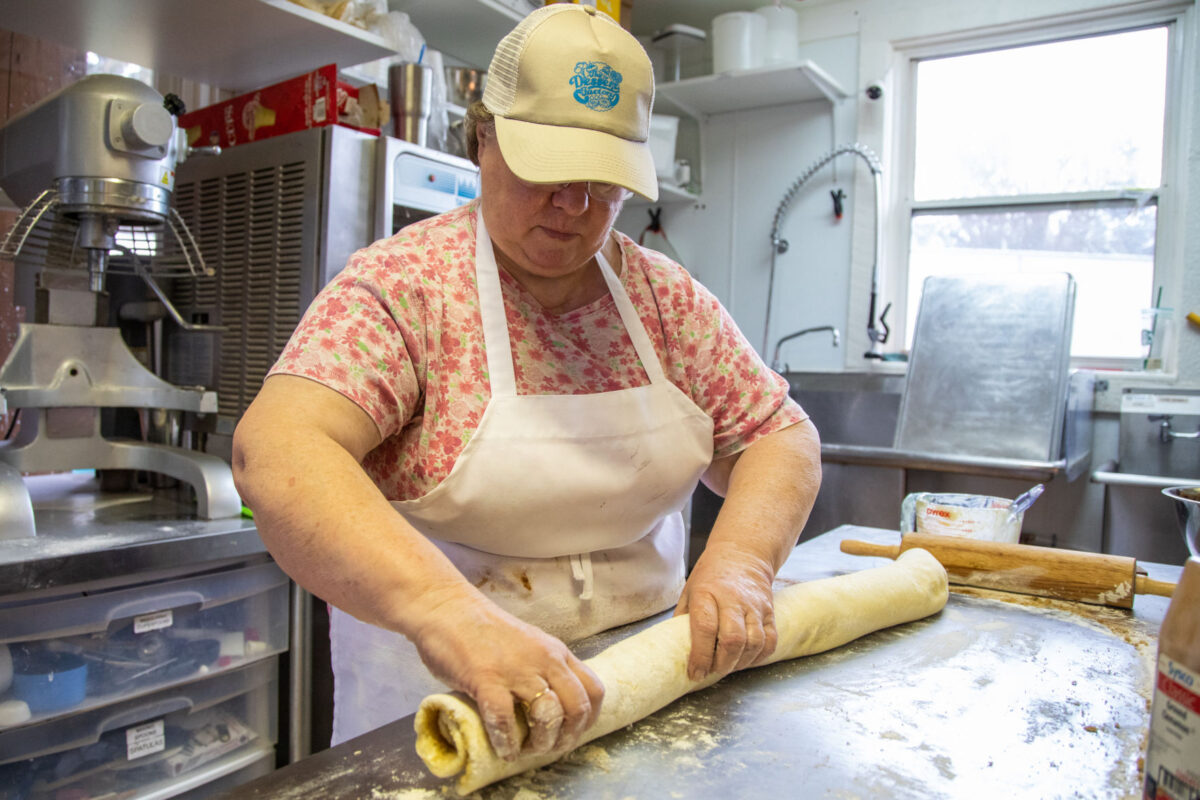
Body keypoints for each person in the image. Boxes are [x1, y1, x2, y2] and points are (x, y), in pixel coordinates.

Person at [232, 3, 821, 761]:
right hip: (440, 707)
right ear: (484, 140)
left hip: (646, 695)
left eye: (602, 183)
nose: (572, 207)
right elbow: (277, 451)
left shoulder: (663, 300)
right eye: (546, 170)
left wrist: (741, 563)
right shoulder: (407, 287)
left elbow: (780, 433)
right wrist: (454, 616)